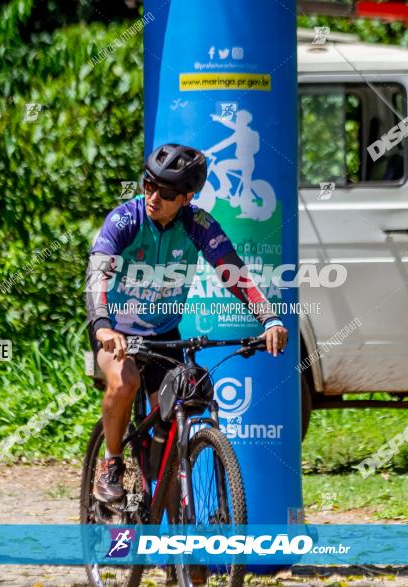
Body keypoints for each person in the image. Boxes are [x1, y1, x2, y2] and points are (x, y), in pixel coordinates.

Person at [85, 143, 288, 504]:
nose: (152, 197)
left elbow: (233, 272)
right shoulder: (125, 220)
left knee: (182, 401)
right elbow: (97, 273)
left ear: (187, 197)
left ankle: (161, 487)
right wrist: (102, 325)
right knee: (125, 380)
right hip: (115, 329)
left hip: (163, 333)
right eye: (148, 185)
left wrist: (268, 317)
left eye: (165, 192)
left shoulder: (198, 225)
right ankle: (111, 463)